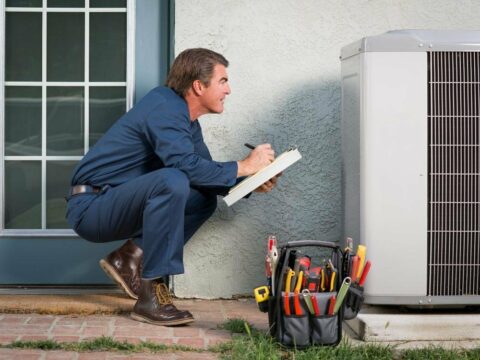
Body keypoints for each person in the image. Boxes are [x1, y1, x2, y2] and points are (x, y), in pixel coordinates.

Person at [66, 48, 280, 326]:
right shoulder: (164, 105)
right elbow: (185, 166)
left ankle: (128, 259)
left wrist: (252, 182)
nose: (229, 90)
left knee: (203, 198)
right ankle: (150, 297)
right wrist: (245, 165)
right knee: (174, 179)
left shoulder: (187, 122)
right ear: (198, 86)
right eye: (223, 81)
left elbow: (205, 175)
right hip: (91, 207)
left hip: (113, 201)